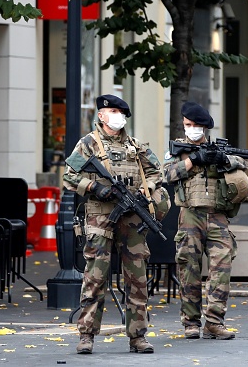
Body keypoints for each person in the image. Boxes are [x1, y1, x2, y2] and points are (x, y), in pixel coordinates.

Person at [63, 94, 170, 354]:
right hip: (100, 217)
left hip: (132, 219)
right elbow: (68, 177)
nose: (118, 116)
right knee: (95, 277)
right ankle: (86, 335)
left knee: (137, 278)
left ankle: (138, 337)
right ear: (101, 115)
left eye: (121, 112)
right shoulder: (88, 144)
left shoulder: (136, 146)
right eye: (112, 110)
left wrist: (148, 189)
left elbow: (158, 172)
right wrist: (94, 187)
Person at [163, 101, 248, 340]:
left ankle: (214, 322)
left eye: (196, 125)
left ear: (205, 127)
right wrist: (194, 160)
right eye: (188, 124)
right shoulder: (177, 150)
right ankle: (191, 323)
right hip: (190, 215)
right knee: (188, 269)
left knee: (221, 268)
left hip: (218, 216)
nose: (192, 129)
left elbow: (243, 163)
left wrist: (224, 160)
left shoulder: (217, 149)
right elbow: (166, 174)